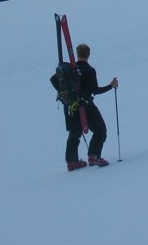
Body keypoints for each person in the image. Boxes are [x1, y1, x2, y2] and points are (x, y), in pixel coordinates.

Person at [50, 43, 118, 171]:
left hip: (71, 106)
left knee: (74, 133)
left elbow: (53, 79)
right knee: (100, 130)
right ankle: (94, 155)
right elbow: (95, 90)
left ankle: (72, 161)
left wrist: (64, 93)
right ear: (88, 54)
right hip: (87, 106)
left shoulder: (69, 69)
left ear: (77, 54)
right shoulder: (89, 70)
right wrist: (111, 85)